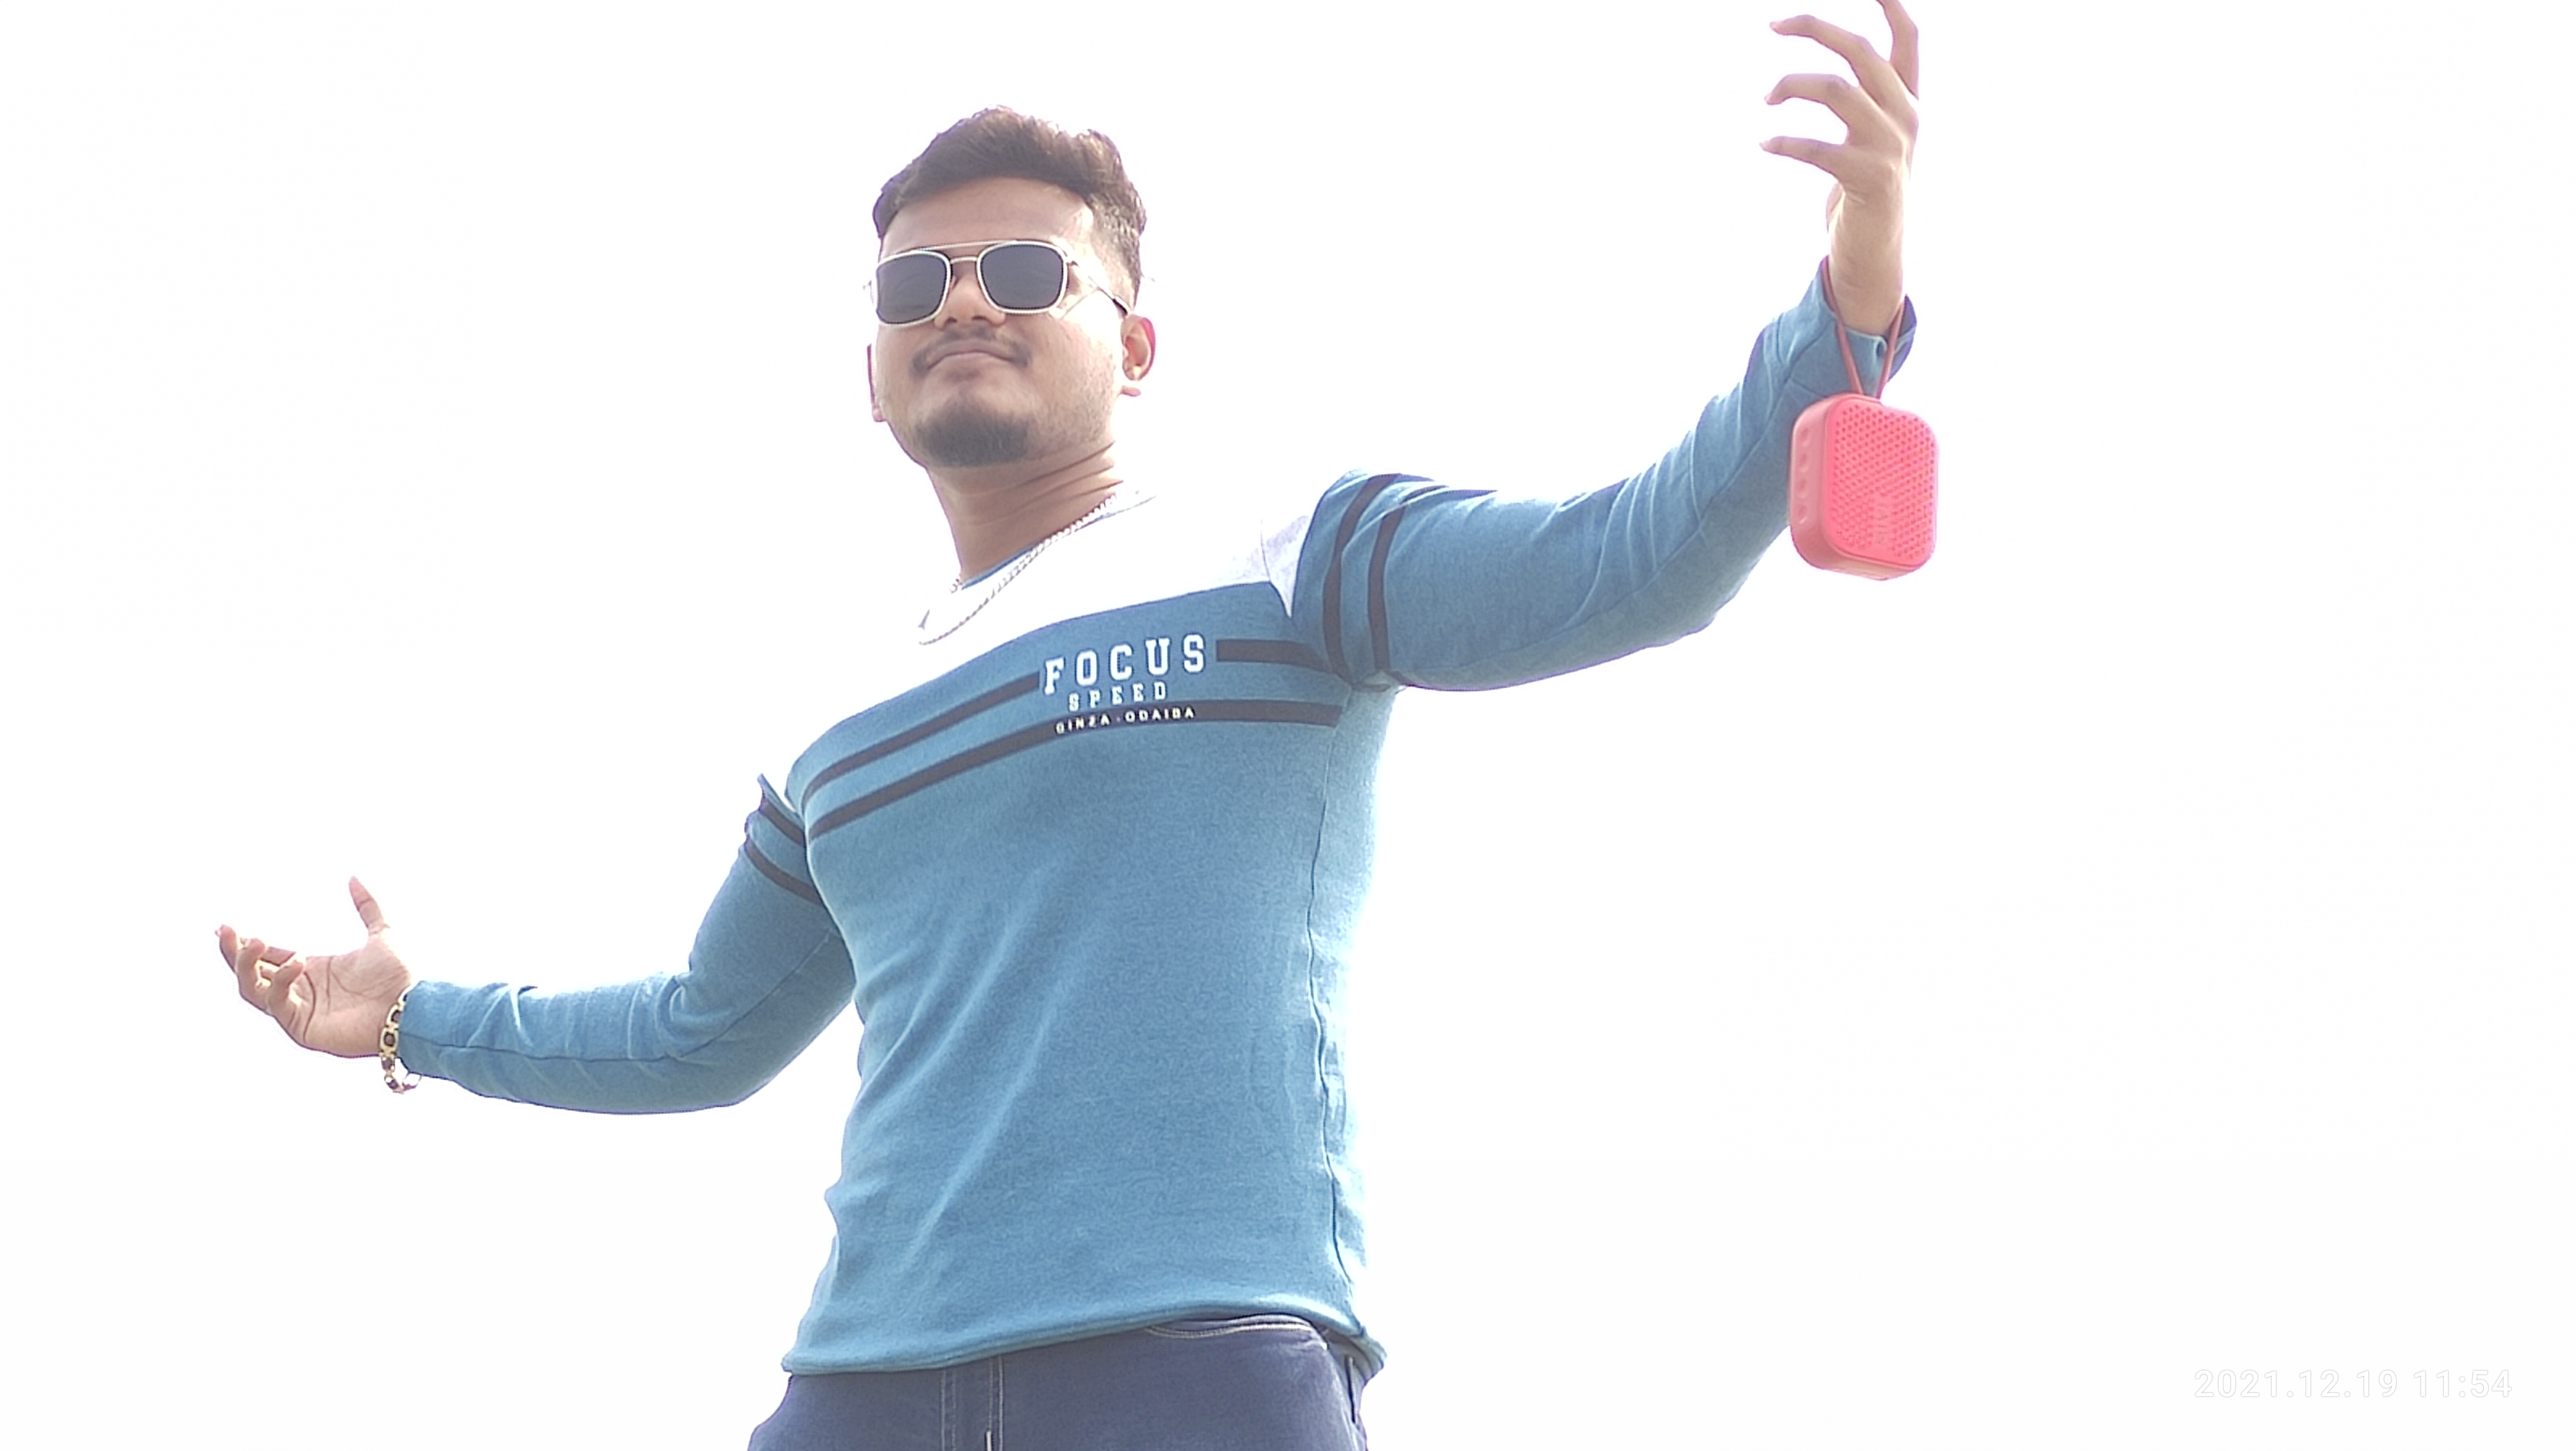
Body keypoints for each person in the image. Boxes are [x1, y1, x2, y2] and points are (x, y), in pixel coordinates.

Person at [218, 6, 1923, 1447]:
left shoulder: (1286, 553)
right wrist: (416, 1014)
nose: (963, 303)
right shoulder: (837, 718)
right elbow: (698, 1033)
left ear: (1136, 339)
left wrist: (1849, 301)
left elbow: (1624, 562)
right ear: (871, 372)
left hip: (1194, 1363)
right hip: (862, 1388)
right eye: (916, 286)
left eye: (1025, 268)